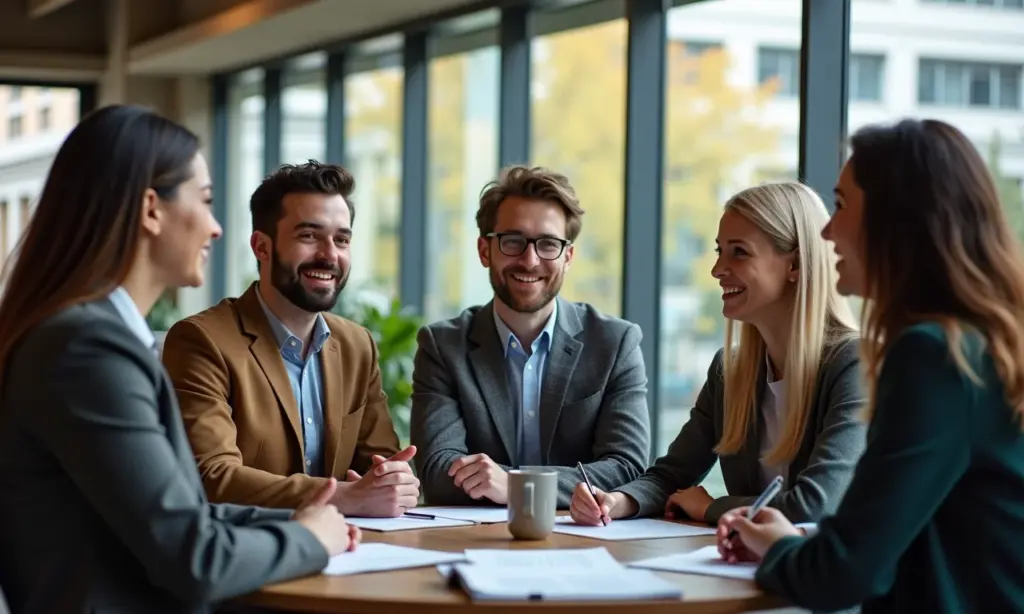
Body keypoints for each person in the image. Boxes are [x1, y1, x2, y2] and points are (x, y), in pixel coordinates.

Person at [0, 105, 358, 613]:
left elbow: (182, 515)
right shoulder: (88, 350)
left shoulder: (94, 336)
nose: (215, 228)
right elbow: (194, 557)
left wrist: (308, 521)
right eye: (206, 201)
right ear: (151, 209)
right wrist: (310, 541)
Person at [717, 119, 1024, 613]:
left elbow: (841, 572)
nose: (826, 230)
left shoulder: (934, 356)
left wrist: (775, 546)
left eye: (840, 205)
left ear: (894, 221)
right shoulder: (984, 344)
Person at [570, 181, 866, 527]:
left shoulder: (855, 364)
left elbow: (814, 506)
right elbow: (672, 476)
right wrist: (619, 501)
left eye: (739, 252)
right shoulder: (731, 370)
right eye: (719, 251)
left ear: (795, 265)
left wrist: (712, 507)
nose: (717, 270)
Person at [162, 161, 417, 516]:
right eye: (309, 236)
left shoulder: (357, 345)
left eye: (342, 239)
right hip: (247, 555)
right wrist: (341, 497)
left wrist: (395, 481)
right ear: (261, 247)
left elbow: (379, 463)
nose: (330, 255)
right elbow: (212, 476)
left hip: (351, 551)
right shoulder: (201, 341)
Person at [411, 165, 650, 507]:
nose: (530, 260)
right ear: (484, 250)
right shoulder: (443, 346)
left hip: (582, 539)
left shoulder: (615, 343)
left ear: (568, 257)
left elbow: (626, 468)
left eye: (548, 244)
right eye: (513, 241)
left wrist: (515, 485)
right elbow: (436, 472)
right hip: (474, 539)